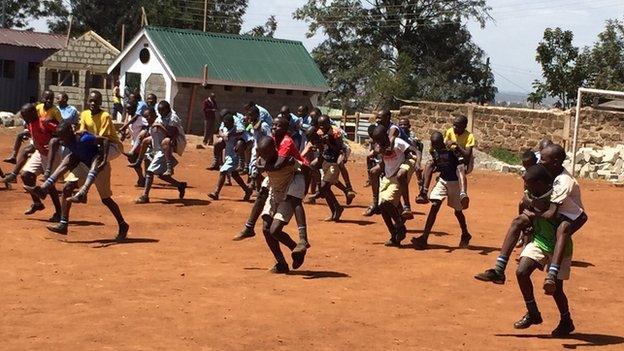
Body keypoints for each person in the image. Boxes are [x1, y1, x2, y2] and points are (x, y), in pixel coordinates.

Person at [46, 91, 128, 239]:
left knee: (106, 199)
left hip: (109, 147)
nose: (92, 103)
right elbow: (82, 131)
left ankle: (123, 224)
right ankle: (64, 223)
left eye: (96, 101)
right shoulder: (84, 114)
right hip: (89, 150)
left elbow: (103, 140)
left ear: (101, 103)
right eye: (90, 101)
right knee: (67, 187)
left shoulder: (105, 116)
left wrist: (98, 157)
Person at [508, 165, 575, 336]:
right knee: (521, 272)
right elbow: (526, 210)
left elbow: (566, 218)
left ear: (539, 183)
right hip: (539, 241)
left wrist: (535, 213)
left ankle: (566, 320)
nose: (526, 188)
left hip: (560, 248)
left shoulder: (559, 197)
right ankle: (533, 313)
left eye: (529, 184)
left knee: (556, 289)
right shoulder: (531, 195)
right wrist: (527, 227)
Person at [538, 144, 587, 295]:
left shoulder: (564, 181)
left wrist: (533, 213)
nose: (540, 162)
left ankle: (552, 273)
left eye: (543, 159)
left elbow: (551, 212)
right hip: (559, 213)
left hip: (574, 217)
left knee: (563, 229)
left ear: (555, 162)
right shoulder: (547, 172)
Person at [25, 120, 110, 205]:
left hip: (94, 160)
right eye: (60, 136)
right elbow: (56, 142)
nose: (61, 138)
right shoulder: (65, 140)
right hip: (82, 161)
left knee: (95, 159)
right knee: (68, 159)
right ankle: (44, 188)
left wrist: (104, 159)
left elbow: (105, 140)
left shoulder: (84, 138)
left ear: (69, 132)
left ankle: (83, 193)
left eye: (63, 136)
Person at [256, 135, 308, 273]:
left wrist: (304, 189)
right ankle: (282, 262)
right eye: (263, 154)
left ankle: (297, 247)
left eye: (268, 152)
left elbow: (305, 168)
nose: (266, 156)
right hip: (274, 193)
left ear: (274, 148)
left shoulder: (288, 160)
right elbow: (260, 171)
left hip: (287, 194)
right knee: (266, 229)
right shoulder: (261, 160)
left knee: (275, 230)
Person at [411, 131, 472, 250]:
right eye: (434, 144)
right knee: (434, 205)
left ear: (442, 142)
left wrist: (457, 148)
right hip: (443, 180)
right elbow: (437, 165)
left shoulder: (451, 150)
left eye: (438, 144)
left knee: (458, 212)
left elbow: (462, 163)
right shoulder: (434, 151)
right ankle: (424, 237)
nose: (436, 147)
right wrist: (431, 170)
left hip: (455, 182)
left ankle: (465, 233)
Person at [4, 103, 62, 220]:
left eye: (25, 115)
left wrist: (55, 141)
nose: (23, 118)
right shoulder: (30, 123)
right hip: (40, 153)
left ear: (33, 114)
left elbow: (62, 131)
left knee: (50, 185)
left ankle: (59, 212)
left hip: (52, 155)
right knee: (26, 175)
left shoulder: (45, 122)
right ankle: (37, 203)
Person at [417, 115, 475, 210]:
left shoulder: (469, 136)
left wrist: (456, 145)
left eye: (458, 126)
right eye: (454, 125)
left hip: (465, 162)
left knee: (459, 167)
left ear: (464, 126)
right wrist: (438, 162)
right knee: (430, 163)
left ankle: (463, 193)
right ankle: (423, 192)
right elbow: (442, 148)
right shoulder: (449, 131)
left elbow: (467, 155)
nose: (454, 128)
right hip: (452, 158)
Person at [135, 103, 188, 203]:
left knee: (150, 172)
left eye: (162, 112)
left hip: (169, 146)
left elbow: (171, 134)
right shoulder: (159, 119)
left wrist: (159, 126)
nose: (161, 114)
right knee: (161, 175)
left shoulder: (172, 118)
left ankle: (145, 196)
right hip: (159, 148)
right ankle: (180, 185)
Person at [370, 124, 408, 246]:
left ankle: (400, 226)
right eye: (377, 140)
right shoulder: (379, 145)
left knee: (386, 202)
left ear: (386, 136)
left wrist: (411, 166)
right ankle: (393, 234)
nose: (378, 142)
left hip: (397, 176)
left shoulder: (397, 142)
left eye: (380, 139)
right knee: (382, 207)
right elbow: (379, 151)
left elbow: (410, 151)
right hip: (387, 176)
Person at [364, 110, 404, 217]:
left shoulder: (393, 129)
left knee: (388, 181)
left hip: (401, 157)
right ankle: (375, 202)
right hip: (389, 158)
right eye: (377, 117)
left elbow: (389, 148)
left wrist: (377, 149)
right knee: (374, 172)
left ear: (388, 117)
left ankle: (403, 208)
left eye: (380, 118)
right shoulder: (380, 128)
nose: (377, 120)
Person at [208, 111, 253, 201]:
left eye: (227, 124)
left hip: (235, 155)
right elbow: (220, 131)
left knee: (223, 171)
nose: (226, 126)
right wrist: (223, 135)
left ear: (232, 123)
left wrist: (231, 135)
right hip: (228, 154)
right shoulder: (225, 128)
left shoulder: (238, 129)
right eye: (225, 124)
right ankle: (247, 190)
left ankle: (216, 193)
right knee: (234, 174)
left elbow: (246, 138)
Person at [315, 115, 345, 221]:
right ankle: (335, 209)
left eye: (324, 125)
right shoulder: (319, 132)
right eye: (320, 125)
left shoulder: (335, 132)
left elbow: (339, 149)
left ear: (329, 123)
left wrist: (329, 142)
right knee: (326, 188)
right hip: (325, 160)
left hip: (335, 161)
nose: (322, 127)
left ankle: (345, 194)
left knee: (324, 186)